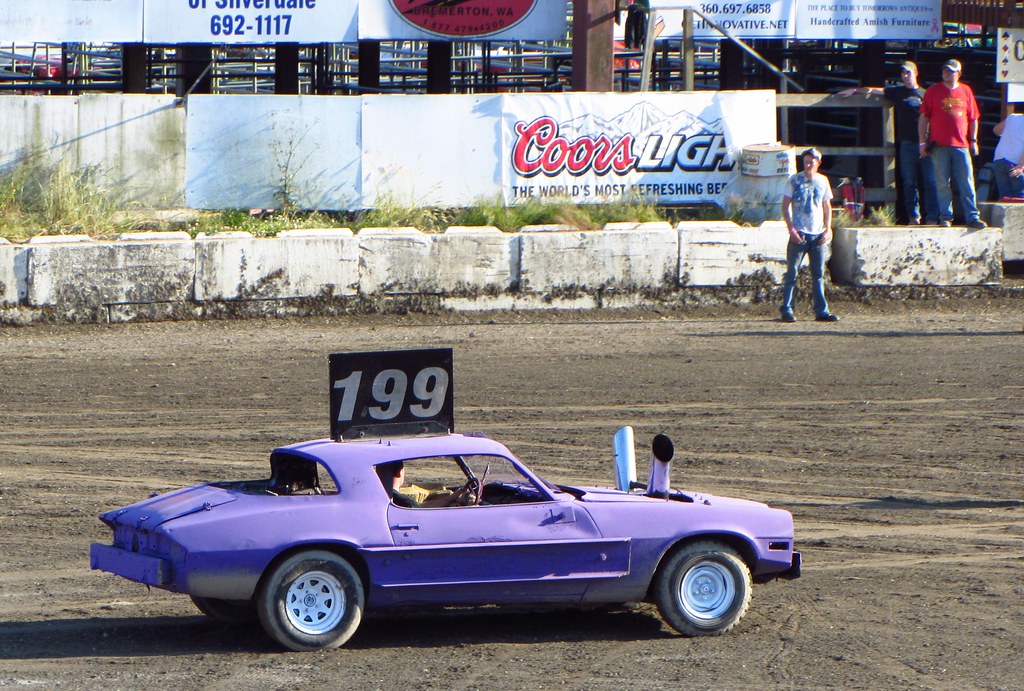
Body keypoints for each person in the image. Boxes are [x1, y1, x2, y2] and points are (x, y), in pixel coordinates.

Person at [838, 61, 939, 225]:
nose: (906, 76)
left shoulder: (926, 94)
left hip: (926, 143)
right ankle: (914, 217)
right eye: (903, 73)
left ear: (916, 73)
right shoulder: (898, 92)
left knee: (930, 181)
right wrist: (856, 90)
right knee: (908, 182)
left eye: (908, 73)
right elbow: (875, 90)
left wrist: (932, 142)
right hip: (907, 143)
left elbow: (936, 117)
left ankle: (933, 217)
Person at [918, 59, 987, 229]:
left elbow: (973, 118)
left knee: (966, 182)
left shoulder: (966, 91)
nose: (947, 73)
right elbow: (923, 118)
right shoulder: (933, 91)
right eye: (945, 70)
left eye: (951, 71)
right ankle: (945, 217)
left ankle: (972, 216)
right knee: (942, 183)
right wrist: (922, 142)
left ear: (959, 73)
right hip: (938, 146)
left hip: (961, 145)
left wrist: (973, 141)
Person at [780, 148, 839, 323]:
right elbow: (785, 206)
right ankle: (787, 308)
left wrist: (828, 229)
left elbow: (827, 207)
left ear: (818, 163)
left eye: (812, 161)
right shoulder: (794, 180)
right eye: (806, 160)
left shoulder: (823, 181)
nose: (809, 163)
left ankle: (821, 311)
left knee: (818, 274)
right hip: (800, 232)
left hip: (817, 233)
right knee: (792, 272)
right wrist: (791, 229)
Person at [382, 461, 471, 508]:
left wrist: (452, 497)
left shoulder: (379, 496)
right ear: (400, 472)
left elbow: (419, 507)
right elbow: (416, 508)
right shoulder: (404, 501)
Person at [992, 108, 1024, 199]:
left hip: (999, 159)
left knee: (1004, 198)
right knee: (1020, 199)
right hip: (1015, 163)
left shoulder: (1013, 117)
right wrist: (1021, 166)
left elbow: (996, 130)